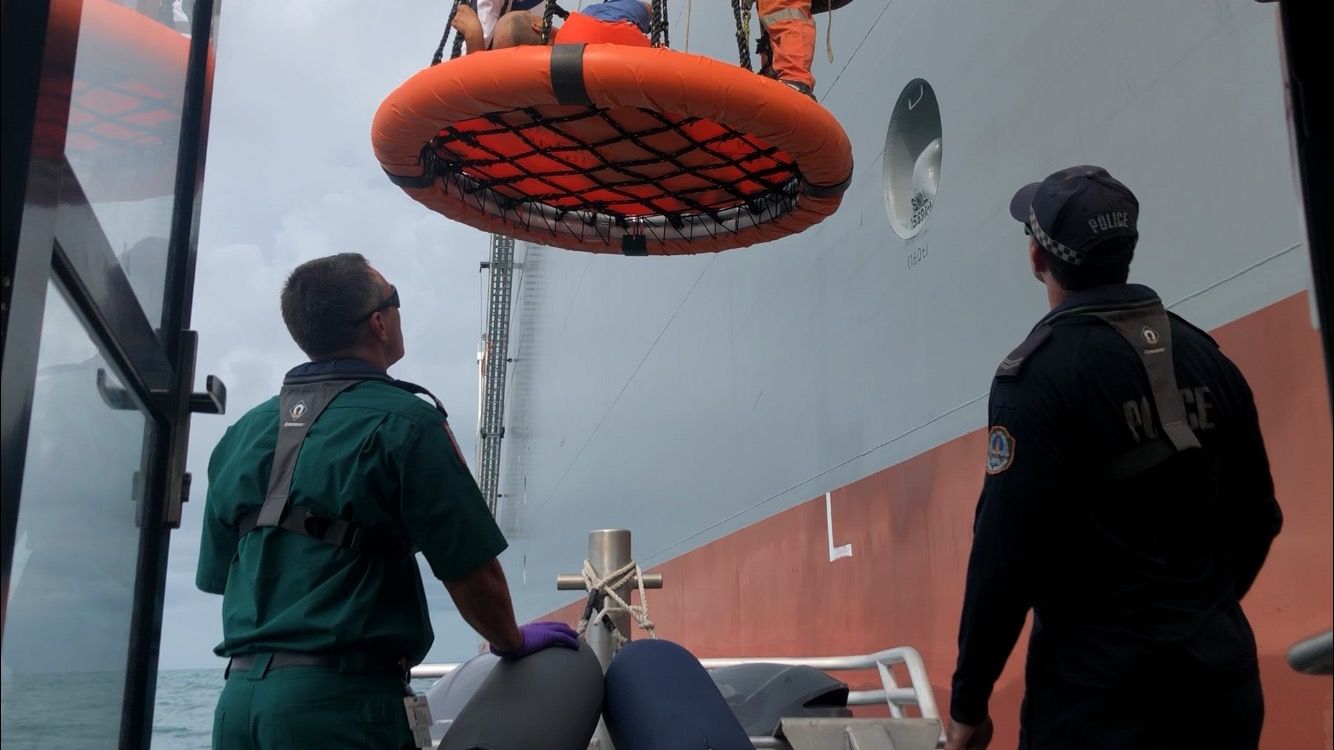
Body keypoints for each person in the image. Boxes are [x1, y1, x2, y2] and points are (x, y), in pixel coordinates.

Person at [945, 166, 1283, 750]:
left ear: (1037, 261)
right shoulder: (1209, 359)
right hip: (1222, 692)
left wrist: (968, 706)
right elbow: (1261, 517)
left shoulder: (1036, 379)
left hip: (1098, 708)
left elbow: (1004, 561)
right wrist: (1199, 621)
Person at [196, 253, 577, 749]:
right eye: (395, 299)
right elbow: (473, 574)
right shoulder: (407, 423)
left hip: (238, 706)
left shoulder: (239, 436)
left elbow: (219, 576)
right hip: (343, 711)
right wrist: (512, 639)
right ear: (378, 322)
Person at [452, 0, 653, 51]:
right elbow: (648, 10)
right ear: (539, 24)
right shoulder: (591, 20)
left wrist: (475, 40)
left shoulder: (529, 98)